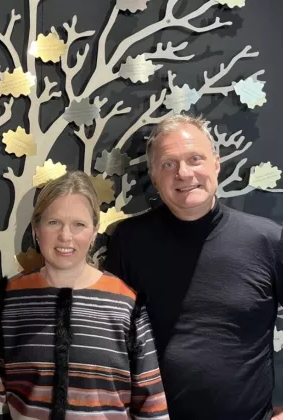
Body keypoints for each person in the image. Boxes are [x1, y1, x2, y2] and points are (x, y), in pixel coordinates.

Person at [104, 114, 283, 420]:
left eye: (195, 159)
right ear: (154, 176)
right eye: (169, 164)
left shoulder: (267, 240)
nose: (184, 173)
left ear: (216, 163)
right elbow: (108, 340)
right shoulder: (129, 241)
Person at [0, 171, 169, 420]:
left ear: (94, 232)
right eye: (54, 222)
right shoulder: (10, 300)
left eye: (79, 224)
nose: (66, 236)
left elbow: (150, 403)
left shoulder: (125, 304)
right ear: (36, 228)